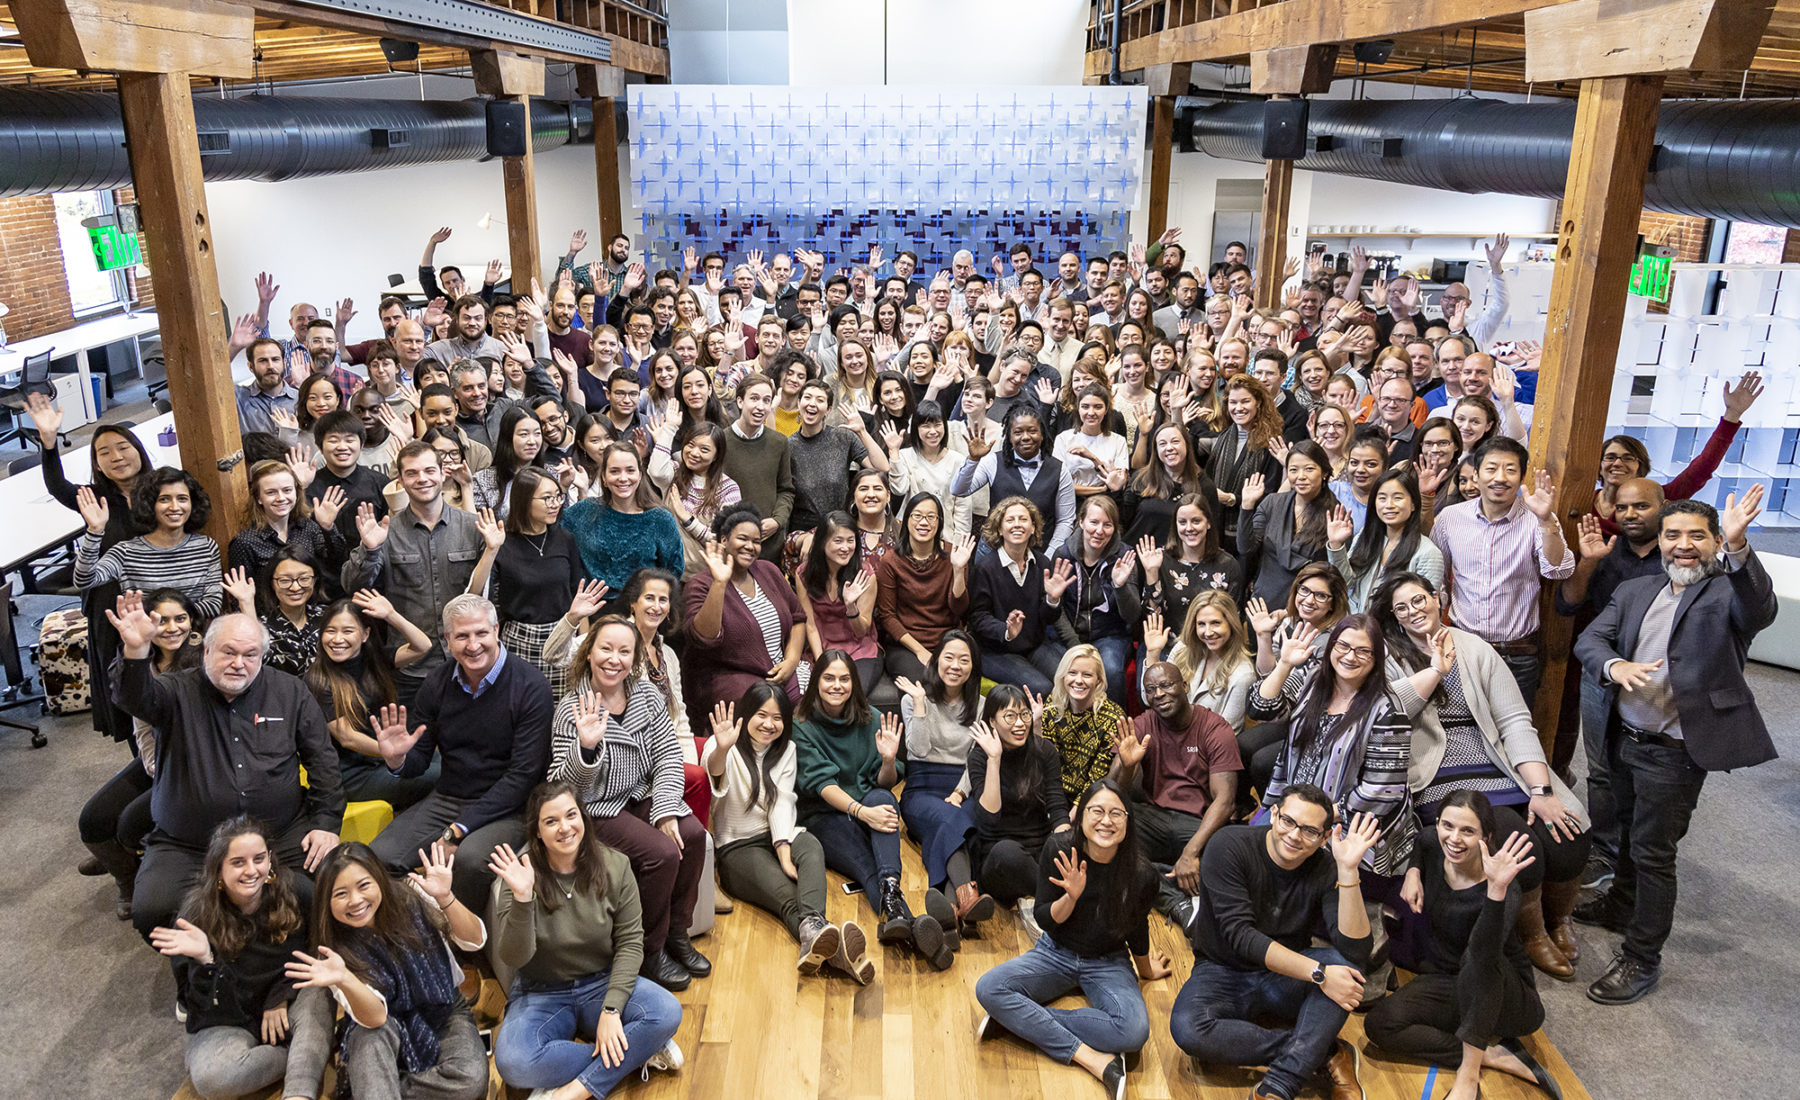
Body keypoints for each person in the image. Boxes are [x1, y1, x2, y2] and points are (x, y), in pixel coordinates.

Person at [1572, 487, 1777, 1005]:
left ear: (1714, 542)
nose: (1683, 546)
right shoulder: (1637, 591)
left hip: (1676, 749)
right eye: (1672, 535)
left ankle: (1642, 958)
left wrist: (1738, 546)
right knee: (1622, 831)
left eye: (1697, 536)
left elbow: (1760, 607)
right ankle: (1619, 905)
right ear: (1659, 541)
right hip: (1625, 735)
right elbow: (1590, 641)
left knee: (1653, 852)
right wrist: (1613, 665)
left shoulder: (1727, 593)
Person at [1374, 571, 1591, 981]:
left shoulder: (1474, 647)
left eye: (1419, 600)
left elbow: (1513, 721)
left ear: (1439, 599)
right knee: (1510, 830)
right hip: (1434, 768)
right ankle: (1533, 933)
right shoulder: (1388, 655)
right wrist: (1435, 670)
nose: (1413, 611)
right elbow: (1389, 715)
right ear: (1394, 617)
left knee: (1569, 824)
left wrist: (1541, 789)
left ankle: (1559, 919)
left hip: (1494, 757)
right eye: (1401, 608)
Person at [107, 592, 343, 943]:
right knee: (153, 911)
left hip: (279, 833)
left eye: (250, 655)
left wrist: (325, 823)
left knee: (323, 891)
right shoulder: (173, 691)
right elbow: (132, 696)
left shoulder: (290, 691)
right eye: (228, 652)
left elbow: (323, 760)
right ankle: (207, 974)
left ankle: (274, 967)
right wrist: (136, 652)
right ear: (206, 652)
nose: (239, 663)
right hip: (189, 841)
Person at [1168, 787, 1377, 1100]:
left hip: (1286, 973)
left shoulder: (1324, 865)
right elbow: (1241, 937)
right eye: (1288, 821)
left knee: (1347, 969)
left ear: (1323, 838)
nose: (1294, 835)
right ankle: (1321, 1052)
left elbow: (1357, 949)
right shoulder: (1229, 845)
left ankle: (1280, 1085)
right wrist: (1319, 973)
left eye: (1309, 831)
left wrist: (1347, 870)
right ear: (1274, 814)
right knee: (1188, 1029)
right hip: (1221, 969)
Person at [973, 778, 1170, 1100]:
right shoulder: (1060, 848)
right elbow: (1044, 918)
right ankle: (1093, 1060)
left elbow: (1136, 926)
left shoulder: (1142, 873)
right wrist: (1071, 897)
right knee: (989, 987)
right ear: (1082, 815)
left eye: (1116, 814)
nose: (1106, 821)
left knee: (1134, 1032)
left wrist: (1146, 969)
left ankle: (1013, 1021)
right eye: (1097, 811)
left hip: (1108, 961)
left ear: (1128, 821)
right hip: (1056, 951)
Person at [488, 782, 685, 1099]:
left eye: (571, 815)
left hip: (601, 982)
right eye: (551, 821)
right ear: (537, 831)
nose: (564, 828)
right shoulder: (520, 876)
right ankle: (639, 1052)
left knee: (667, 1010)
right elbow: (514, 956)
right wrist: (523, 899)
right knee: (513, 1062)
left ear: (583, 816)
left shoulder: (615, 865)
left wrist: (611, 1012)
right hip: (541, 990)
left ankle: (574, 1091)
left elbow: (631, 942)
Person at [548, 615, 710, 990]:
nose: (614, 659)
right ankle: (647, 951)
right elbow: (561, 787)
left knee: (693, 834)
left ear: (635, 657)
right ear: (589, 653)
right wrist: (586, 748)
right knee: (662, 853)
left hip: (638, 797)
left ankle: (677, 933)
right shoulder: (572, 707)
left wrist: (666, 808)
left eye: (624, 651)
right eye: (605, 648)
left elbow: (669, 754)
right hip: (594, 810)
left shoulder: (647, 694)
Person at [1367, 792, 1561, 1100]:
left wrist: (1496, 890)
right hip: (1450, 979)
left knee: (1476, 958)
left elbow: (1484, 955)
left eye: (1468, 831)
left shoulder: (1506, 888)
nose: (1454, 838)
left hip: (1505, 994)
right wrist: (1413, 872)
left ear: (1487, 836)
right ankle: (1491, 1054)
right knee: (1379, 1025)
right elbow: (1423, 841)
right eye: (1448, 826)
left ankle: (1468, 1078)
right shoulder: (1434, 841)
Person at [367, 593, 552, 915]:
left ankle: (464, 943)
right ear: (448, 640)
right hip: (449, 797)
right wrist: (396, 759)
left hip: (510, 807)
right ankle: (422, 925)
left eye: (481, 633)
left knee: (467, 860)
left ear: (497, 631)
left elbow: (523, 776)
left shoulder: (531, 686)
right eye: (462, 636)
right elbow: (419, 761)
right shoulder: (437, 681)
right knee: (376, 858)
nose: (473, 644)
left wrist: (458, 829)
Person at [284, 842, 488, 1100]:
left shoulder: (414, 894)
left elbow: (475, 940)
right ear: (327, 901)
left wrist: (446, 898)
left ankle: (374, 1087)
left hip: (443, 1008)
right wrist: (345, 977)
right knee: (369, 1038)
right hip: (378, 1023)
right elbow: (377, 1018)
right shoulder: (334, 950)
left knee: (469, 1080)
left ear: (379, 879)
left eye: (363, 885)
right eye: (341, 894)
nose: (355, 900)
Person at [793, 649, 953, 970]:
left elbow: (884, 783)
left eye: (844, 678)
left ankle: (893, 906)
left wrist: (890, 759)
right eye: (828, 678)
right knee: (868, 864)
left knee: (883, 799)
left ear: (854, 682)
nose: (837, 685)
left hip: (868, 807)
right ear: (816, 682)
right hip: (824, 816)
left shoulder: (873, 720)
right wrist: (861, 814)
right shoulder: (802, 725)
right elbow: (823, 786)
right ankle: (911, 925)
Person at [703, 684, 873, 983]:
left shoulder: (787, 749)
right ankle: (840, 955)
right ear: (746, 714)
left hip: (774, 834)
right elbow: (714, 781)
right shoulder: (723, 745)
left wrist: (783, 848)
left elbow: (782, 800)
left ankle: (815, 934)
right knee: (790, 901)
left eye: (778, 717)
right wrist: (721, 748)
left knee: (810, 844)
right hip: (738, 847)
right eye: (761, 715)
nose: (770, 724)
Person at [1554, 479, 1668, 888]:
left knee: (1649, 774)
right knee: (1601, 770)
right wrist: (1587, 562)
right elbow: (1567, 604)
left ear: (1662, 506)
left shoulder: (1677, 557)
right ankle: (1604, 851)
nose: (1631, 515)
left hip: (1659, 682)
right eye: (1623, 508)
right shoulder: (1605, 550)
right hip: (1602, 674)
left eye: (1641, 506)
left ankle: (1640, 861)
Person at [150, 816, 313, 1100]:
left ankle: (299, 1087)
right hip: (228, 1016)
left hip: (289, 998)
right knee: (213, 1078)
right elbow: (201, 1009)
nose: (252, 870)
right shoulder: (193, 918)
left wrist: (280, 994)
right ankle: (304, 1054)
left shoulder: (296, 889)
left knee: (318, 996)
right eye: (238, 862)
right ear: (218, 871)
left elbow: (320, 947)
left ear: (271, 861)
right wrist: (206, 961)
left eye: (259, 859)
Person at [26, 393, 153, 748]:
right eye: (104, 452)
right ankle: (142, 759)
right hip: (109, 605)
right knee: (126, 682)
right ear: (96, 463)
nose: (116, 457)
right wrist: (49, 444)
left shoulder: (161, 488)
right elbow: (57, 486)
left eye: (123, 447)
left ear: (138, 450)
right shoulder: (93, 497)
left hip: (157, 596)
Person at [1249, 616, 1415, 880]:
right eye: (1343, 646)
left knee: (1285, 874)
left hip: (1345, 822)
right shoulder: (1314, 677)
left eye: (1363, 651)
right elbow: (1262, 708)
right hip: (1293, 807)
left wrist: (1314, 820)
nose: (1350, 657)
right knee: (1249, 854)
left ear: (1376, 659)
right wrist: (1284, 664)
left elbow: (1380, 793)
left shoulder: (1388, 711)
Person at [80, 589, 201, 920]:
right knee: (93, 820)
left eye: (181, 618)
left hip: (191, 766)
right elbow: (143, 728)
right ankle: (125, 873)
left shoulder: (204, 660)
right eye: (161, 620)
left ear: (192, 622)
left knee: (129, 824)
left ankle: (131, 862)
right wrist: (152, 766)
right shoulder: (138, 664)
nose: (172, 628)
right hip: (156, 760)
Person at [1432, 437, 1574, 707]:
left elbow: (1558, 570)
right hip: (1464, 648)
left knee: (1514, 735)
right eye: (1491, 468)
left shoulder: (1537, 520)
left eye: (1510, 470)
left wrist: (1546, 519)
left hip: (1518, 654)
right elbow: (1437, 580)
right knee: (1462, 730)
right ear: (1475, 474)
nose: (1500, 477)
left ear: (1521, 477)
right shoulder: (1451, 518)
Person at [342, 441, 487, 701]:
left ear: (443, 474)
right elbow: (353, 587)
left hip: (469, 660)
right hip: (413, 667)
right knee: (414, 741)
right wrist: (370, 549)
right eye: (411, 473)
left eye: (429, 471)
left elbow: (489, 595)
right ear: (400, 479)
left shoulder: (472, 526)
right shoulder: (385, 531)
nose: (422, 479)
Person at [1110, 662, 1242, 923]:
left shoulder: (1215, 728)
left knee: (1228, 861)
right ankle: (1179, 904)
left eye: (1166, 685)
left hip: (1198, 822)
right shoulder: (1142, 724)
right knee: (1107, 839)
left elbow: (1225, 802)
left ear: (1185, 686)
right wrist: (1127, 766)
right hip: (1153, 816)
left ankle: (1154, 875)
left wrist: (1191, 852)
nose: (1158, 694)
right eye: (1150, 690)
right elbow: (1112, 790)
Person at [896, 631, 994, 936]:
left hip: (963, 787)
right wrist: (921, 705)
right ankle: (966, 893)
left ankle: (949, 913)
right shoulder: (914, 698)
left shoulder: (981, 706)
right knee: (951, 820)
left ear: (973, 667)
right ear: (936, 660)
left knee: (956, 820)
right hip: (922, 788)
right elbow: (919, 751)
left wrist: (960, 791)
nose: (955, 666)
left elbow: (975, 760)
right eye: (949, 657)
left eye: (964, 660)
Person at [306, 592, 440, 810]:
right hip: (353, 775)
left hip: (383, 759)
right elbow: (348, 738)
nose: (337, 639)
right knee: (444, 775)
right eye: (330, 631)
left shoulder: (374, 660)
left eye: (347, 631)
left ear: (365, 634)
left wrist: (391, 615)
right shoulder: (316, 679)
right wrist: (394, 753)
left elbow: (422, 646)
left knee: (454, 763)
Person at [681, 507, 807, 727]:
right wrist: (720, 583)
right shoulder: (700, 584)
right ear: (724, 540)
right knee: (765, 707)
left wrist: (792, 660)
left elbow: (797, 618)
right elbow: (704, 637)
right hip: (731, 678)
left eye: (756, 541)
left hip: (782, 669)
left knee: (818, 698)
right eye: (743, 538)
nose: (750, 546)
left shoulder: (769, 571)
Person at [75, 469, 223, 620]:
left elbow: (213, 604)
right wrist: (95, 530)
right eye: (164, 499)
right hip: (144, 638)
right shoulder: (125, 551)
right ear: (150, 504)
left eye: (182, 499)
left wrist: (162, 616)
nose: (175, 507)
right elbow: (84, 580)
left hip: (192, 638)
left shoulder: (206, 547)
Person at [968, 497, 1066, 695]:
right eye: (1010, 520)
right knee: (1042, 689)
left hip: (1033, 644)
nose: (1017, 525)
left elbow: (1048, 618)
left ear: (1033, 528)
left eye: (1023, 519)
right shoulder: (985, 568)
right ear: (999, 529)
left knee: (1068, 679)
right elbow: (977, 617)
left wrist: (1052, 600)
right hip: (994, 650)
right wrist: (1006, 630)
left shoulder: (1042, 563)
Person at [875, 493, 976, 683]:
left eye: (931, 517)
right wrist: (920, 652)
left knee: (957, 682)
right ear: (906, 521)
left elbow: (959, 610)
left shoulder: (954, 555)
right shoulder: (890, 561)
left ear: (939, 522)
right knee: (924, 686)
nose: (924, 522)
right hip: (906, 645)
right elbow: (887, 616)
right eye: (917, 515)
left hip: (948, 641)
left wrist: (958, 570)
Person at [1052, 496, 1143, 708]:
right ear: (1081, 522)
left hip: (1111, 635)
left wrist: (1120, 587)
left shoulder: (1125, 556)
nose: (1100, 531)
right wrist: (1076, 646)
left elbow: (1132, 616)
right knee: (1059, 669)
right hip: (1070, 634)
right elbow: (1057, 611)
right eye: (1094, 522)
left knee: (1111, 670)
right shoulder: (1063, 554)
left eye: (1107, 524)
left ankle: (1116, 727)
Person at [951, 401, 1078, 552]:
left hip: (1040, 553)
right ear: (1009, 437)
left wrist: (1050, 553)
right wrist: (973, 460)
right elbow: (959, 490)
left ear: (1042, 434)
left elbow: (1066, 520)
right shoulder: (993, 462)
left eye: (1032, 431)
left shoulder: (1059, 469)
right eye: (1018, 432)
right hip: (993, 552)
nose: (1025, 437)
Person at [1329, 468, 1444, 614]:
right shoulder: (1366, 536)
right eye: (1382, 498)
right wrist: (1336, 545)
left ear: (1413, 504)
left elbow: (1425, 611)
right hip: (1357, 627)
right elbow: (1345, 583)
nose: (1389, 505)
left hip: (1396, 634)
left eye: (1397, 498)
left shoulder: (1428, 553)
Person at [1143, 591, 1258, 736]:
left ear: (1231, 624)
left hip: (1205, 750)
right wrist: (1153, 654)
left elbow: (1225, 736)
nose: (1208, 632)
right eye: (1201, 624)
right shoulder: (1183, 649)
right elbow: (1150, 701)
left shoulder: (1243, 674)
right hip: (1167, 734)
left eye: (1216, 623)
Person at [1240, 440, 1334, 609]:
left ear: (1324, 472)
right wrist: (1246, 506)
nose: (1301, 476)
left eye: (1309, 469)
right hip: (1263, 603)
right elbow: (1246, 548)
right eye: (1293, 470)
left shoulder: (1335, 515)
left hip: (1307, 607)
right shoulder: (1272, 503)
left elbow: (1333, 573)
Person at [796, 511, 882, 693]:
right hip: (821, 649)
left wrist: (851, 606)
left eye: (850, 540)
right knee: (815, 694)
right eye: (838, 541)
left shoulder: (865, 574)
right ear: (822, 543)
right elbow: (810, 625)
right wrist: (822, 663)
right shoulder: (804, 573)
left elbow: (861, 632)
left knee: (850, 693)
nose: (845, 547)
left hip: (860, 650)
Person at [220, 549, 327, 677]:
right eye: (285, 580)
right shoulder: (263, 625)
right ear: (273, 584)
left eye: (304, 578)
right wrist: (246, 603)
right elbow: (256, 663)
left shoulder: (327, 617)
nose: (295, 587)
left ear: (315, 580)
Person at [1040, 644, 1126, 801]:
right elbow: (1047, 765)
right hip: (1053, 795)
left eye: (1087, 675)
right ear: (1063, 676)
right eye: (1072, 673)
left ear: (1098, 680)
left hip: (1090, 799)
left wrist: (1071, 817)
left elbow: (1097, 779)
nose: (1078, 681)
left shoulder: (1112, 717)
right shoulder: (1053, 705)